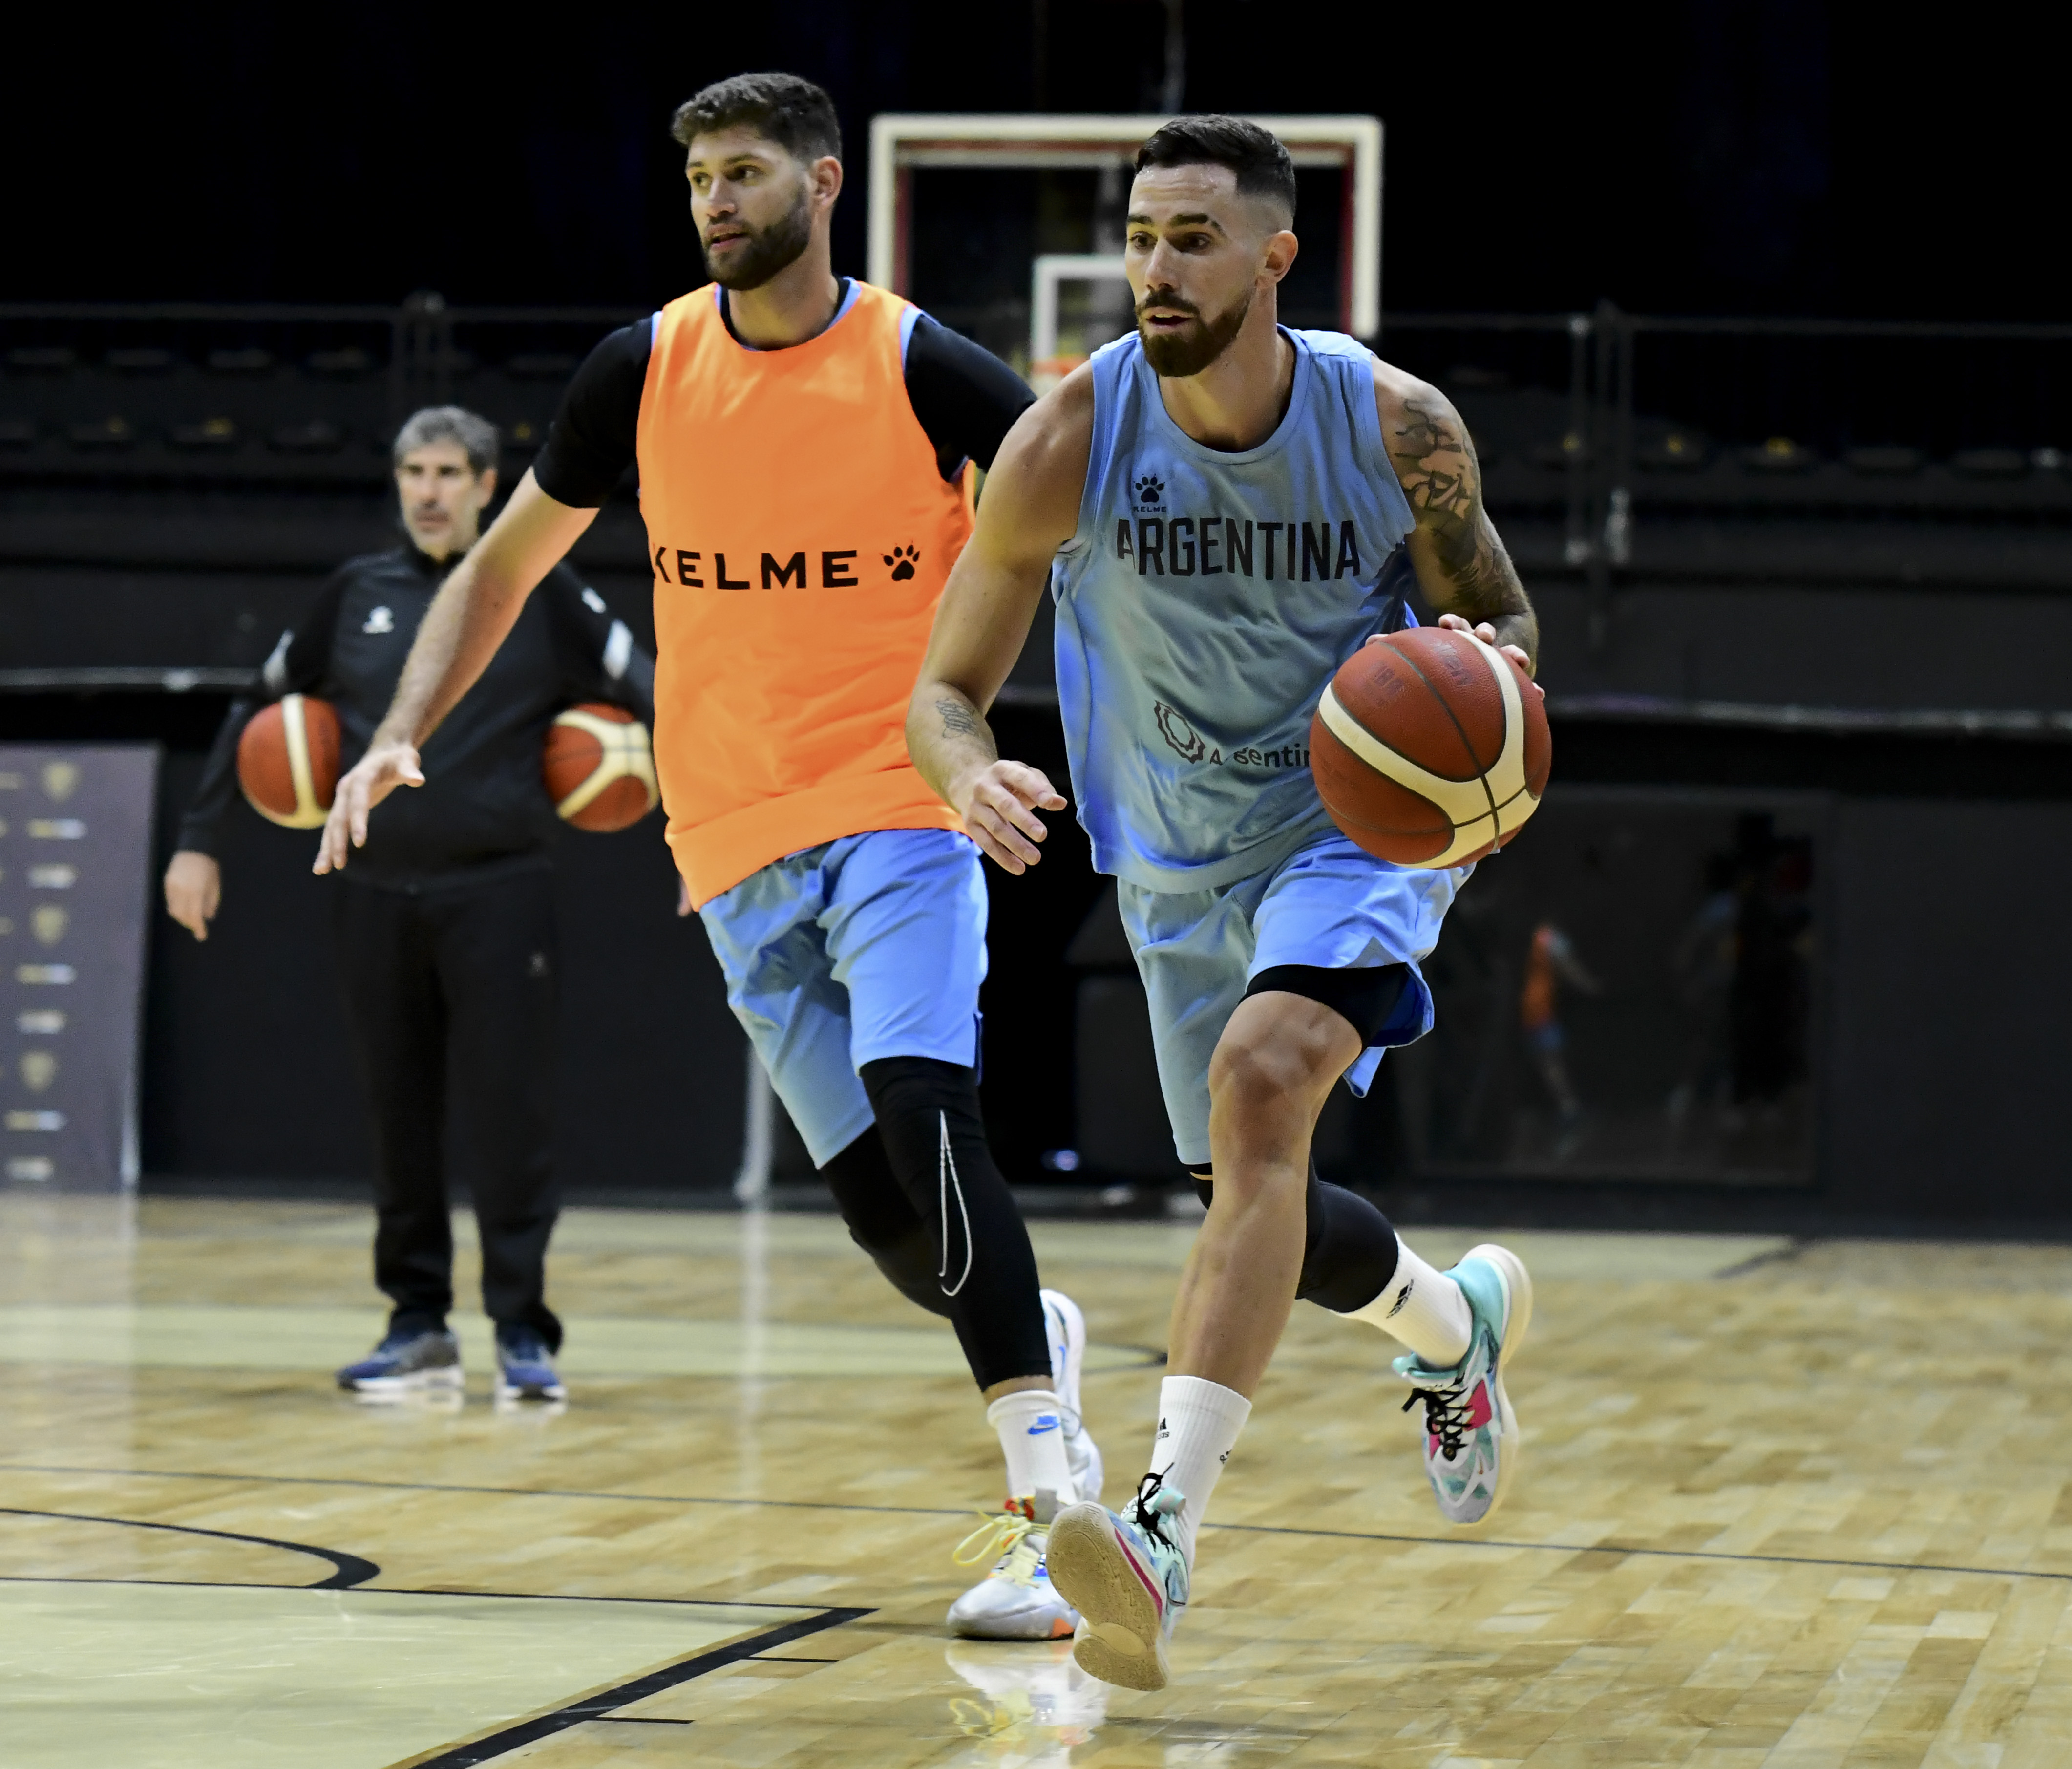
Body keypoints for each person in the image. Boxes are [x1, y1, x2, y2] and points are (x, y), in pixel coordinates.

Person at [313, 73, 1104, 1641]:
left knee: (926, 1108)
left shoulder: (920, 362)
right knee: (897, 1229)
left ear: (822, 182)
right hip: (733, 837)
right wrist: (399, 728)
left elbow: (1081, 539)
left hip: (901, 798)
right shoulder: (643, 367)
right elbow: (499, 570)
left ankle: (1051, 1512)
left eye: (746, 174)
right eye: (697, 182)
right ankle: (1039, 1332)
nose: (718, 203)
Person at [908, 116, 1547, 1691]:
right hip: (1176, 858)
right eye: (1137, 234)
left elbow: (1503, 617)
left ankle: (1158, 1534)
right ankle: (1448, 1322)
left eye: (1191, 236)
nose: (1153, 266)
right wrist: (964, 772)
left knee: (1266, 1082)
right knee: (1262, 1202)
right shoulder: (1067, 439)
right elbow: (942, 685)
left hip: (1355, 833)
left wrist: (1491, 730)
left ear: (1275, 256)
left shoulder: (1396, 424)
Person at [165, 405, 656, 1406]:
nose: (428, 491)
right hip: (375, 891)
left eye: (448, 472)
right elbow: (252, 709)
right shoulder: (356, 593)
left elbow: (654, 690)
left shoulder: (541, 590)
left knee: (511, 1119)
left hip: (501, 892)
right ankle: (417, 1324)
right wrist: (197, 839)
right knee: (399, 1118)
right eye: (413, 473)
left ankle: (523, 1330)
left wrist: (702, 829)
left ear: (488, 484)